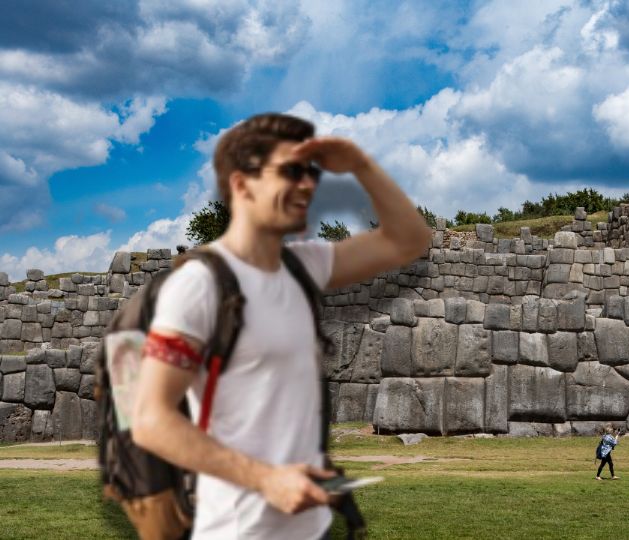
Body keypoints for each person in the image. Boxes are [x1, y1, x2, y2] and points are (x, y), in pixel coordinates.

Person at [131, 113, 432, 539]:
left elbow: (409, 239)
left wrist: (361, 164)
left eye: (311, 172)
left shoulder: (303, 267)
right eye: (291, 171)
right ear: (241, 184)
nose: (308, 184)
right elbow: (150, 419)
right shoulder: (199, 285)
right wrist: (266, 480)